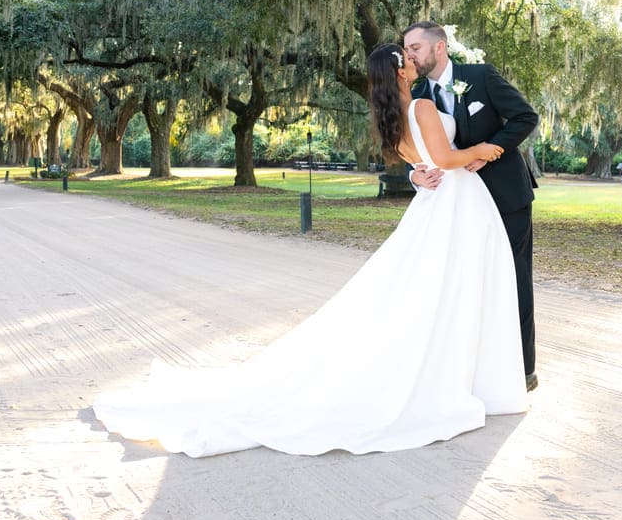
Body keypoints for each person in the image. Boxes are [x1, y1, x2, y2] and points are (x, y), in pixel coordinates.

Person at [92, 43, 528, 458]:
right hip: (454, 201)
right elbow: (445, 160)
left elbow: (421, 165)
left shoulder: (393, 121)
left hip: (440, 206)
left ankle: (458, 372)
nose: (414, 58)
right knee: (455, 289)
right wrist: (483, 150)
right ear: (400, 70)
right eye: (407, 56)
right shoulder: (421, 107)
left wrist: (422, 175)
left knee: (435, 291)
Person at [403, 21, 540, 392]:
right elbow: (413, 148)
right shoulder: (416, 96)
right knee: (469, 285)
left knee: (513, 280)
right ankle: (478, 370)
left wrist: (489, 153)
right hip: (457, 206)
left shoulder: (479, 76)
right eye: (407, 48)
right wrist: (413, 177)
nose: (409, 54)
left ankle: (524, 370)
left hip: (505, 195)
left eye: (415, 47)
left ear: (439, 47)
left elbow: (526, 117)